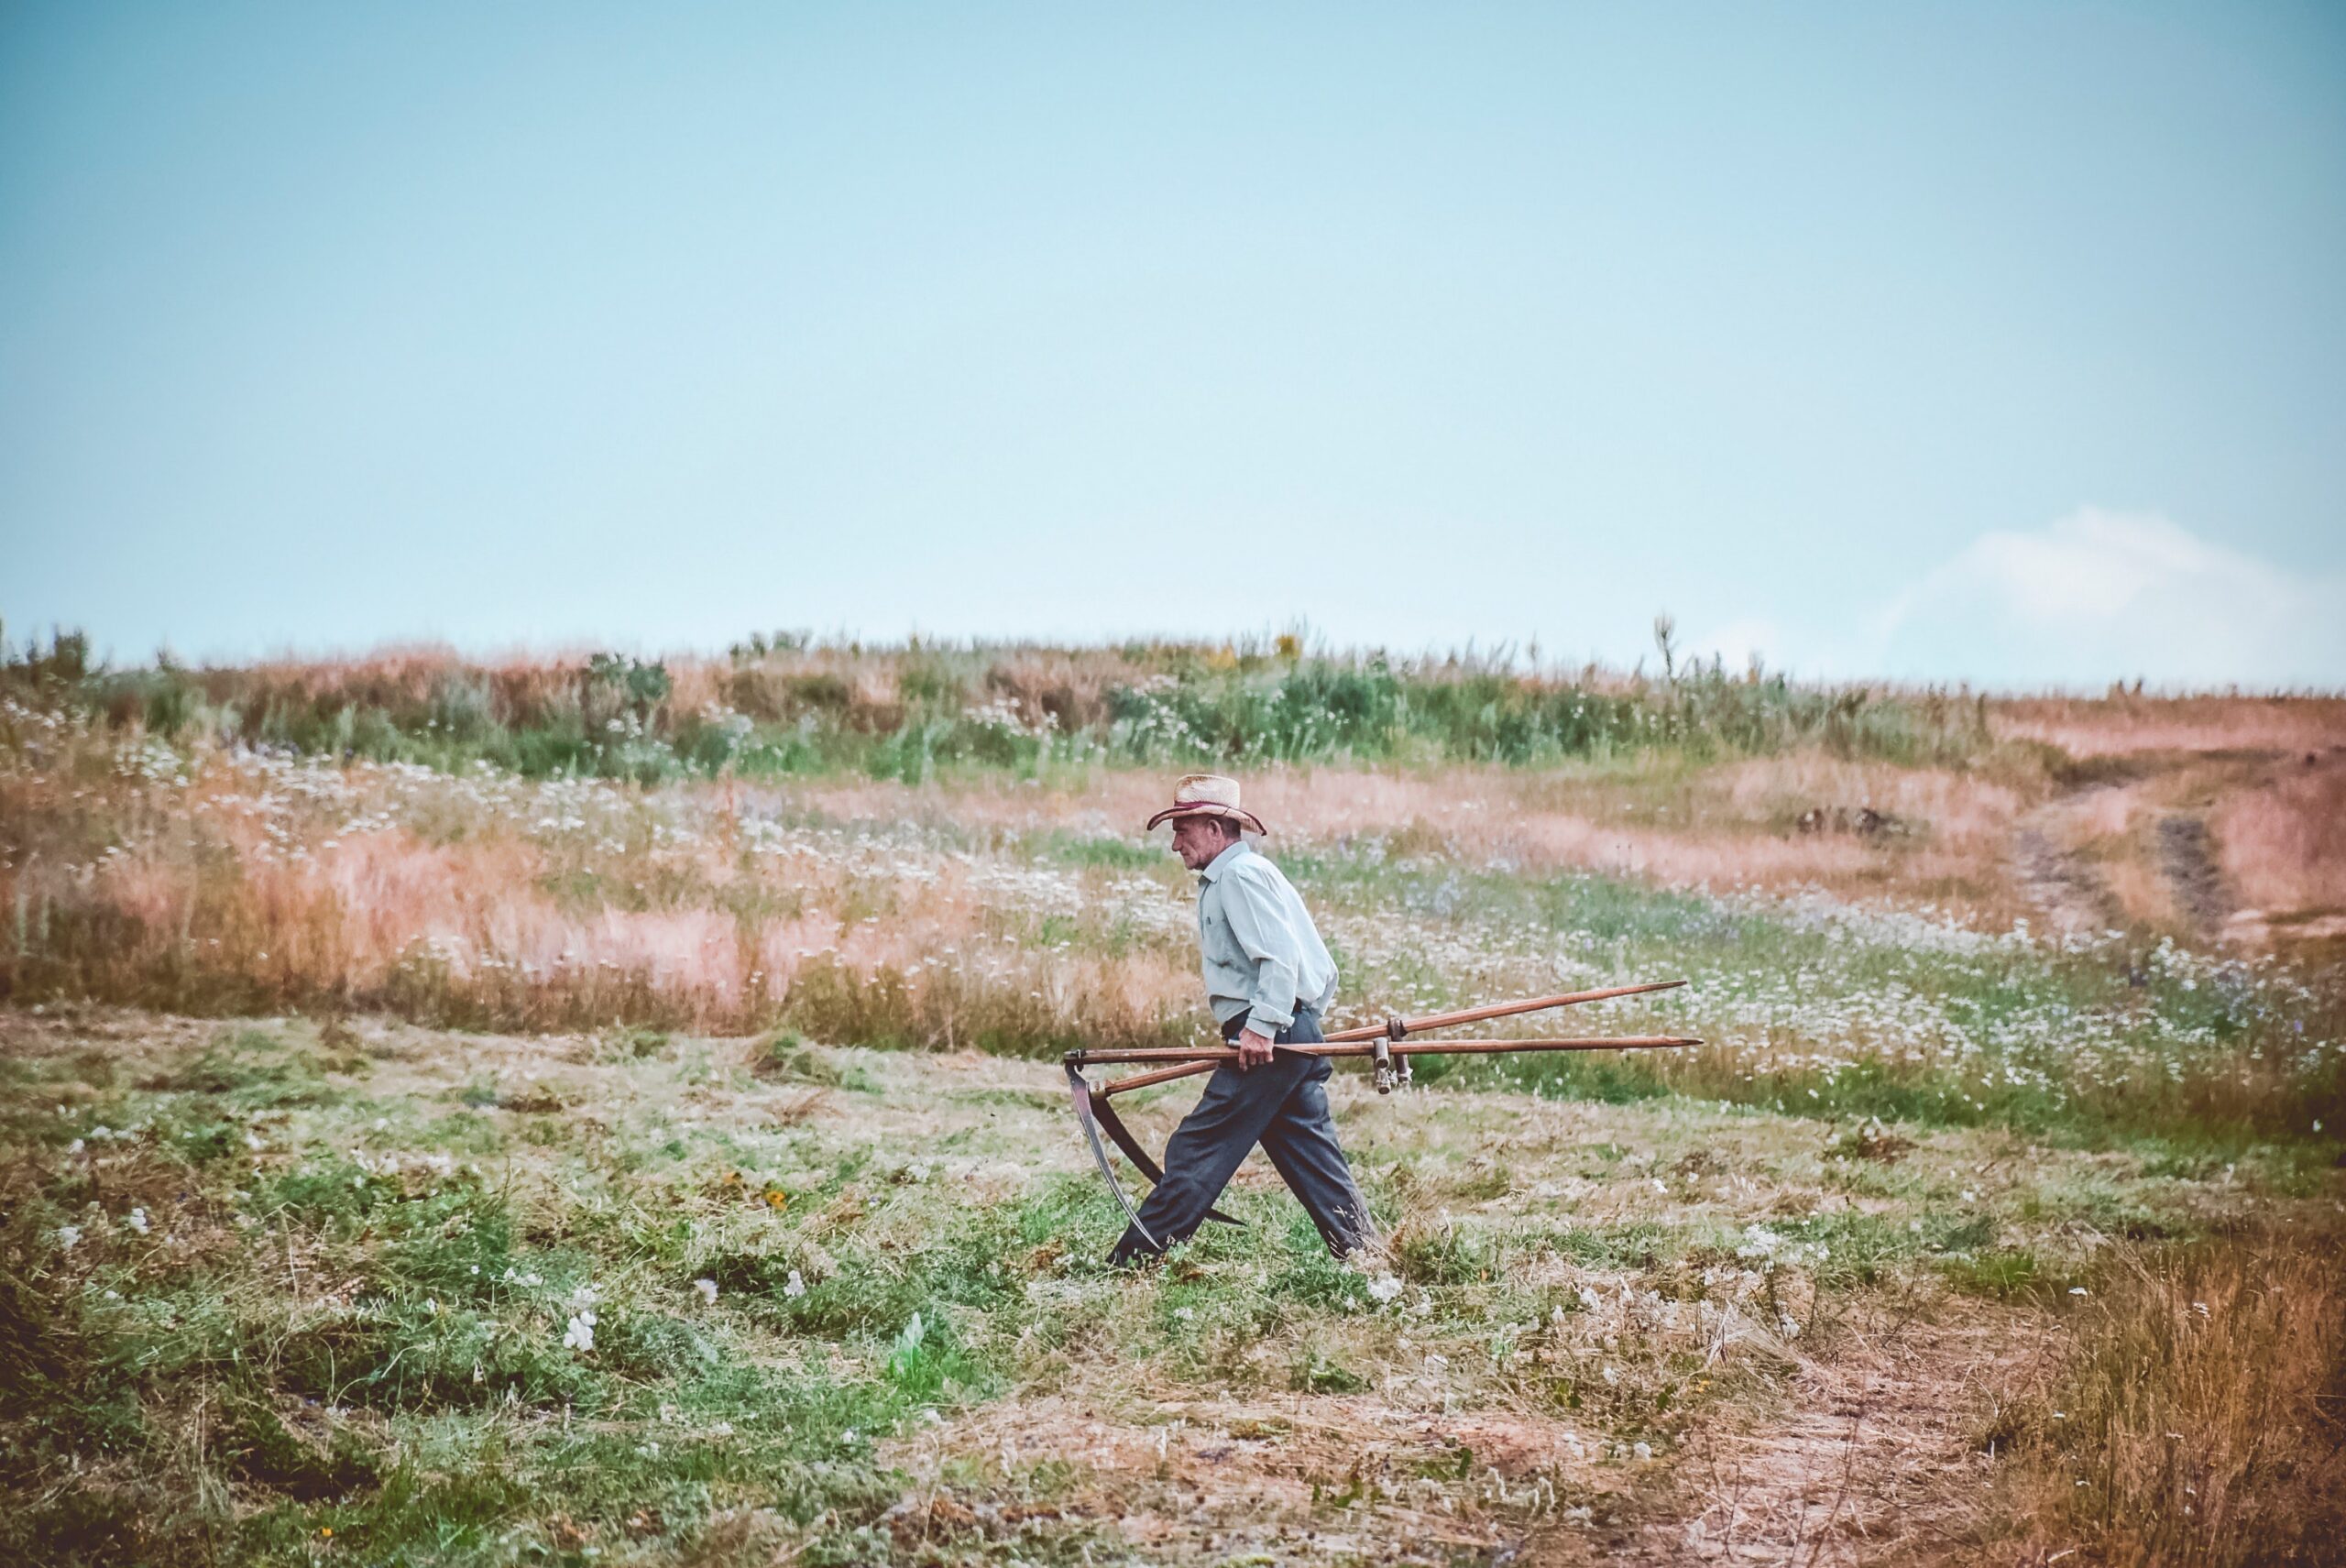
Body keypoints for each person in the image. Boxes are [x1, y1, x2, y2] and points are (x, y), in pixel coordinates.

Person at [1108, 773, 1376, 1266]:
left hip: (1265, 1037)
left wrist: (1265, 1026)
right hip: (1282, 1032)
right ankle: (1367, 1253)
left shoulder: (1240, 878)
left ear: (1214, 828)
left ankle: (1133, 1262)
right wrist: (1298, 1024)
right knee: (1311, 1157)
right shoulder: (1241, 875)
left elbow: (1280, 959)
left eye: (1181, 830)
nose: (1174, 844)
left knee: (1197, 1147)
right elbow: (1318, 966)